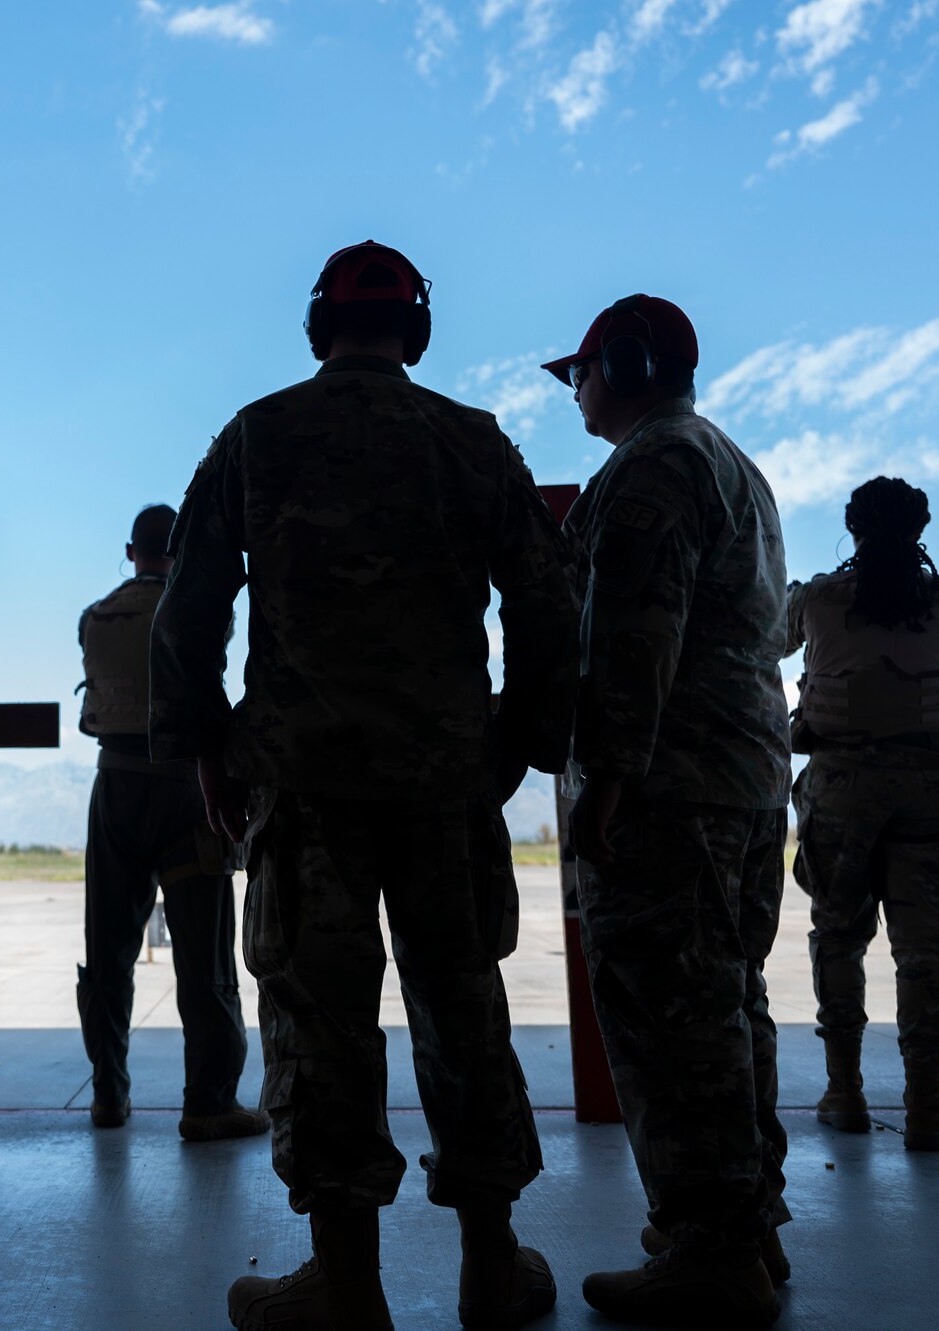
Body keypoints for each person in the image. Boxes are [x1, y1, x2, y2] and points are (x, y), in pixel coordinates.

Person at [151, 240, 581, 1331]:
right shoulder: (471, 442)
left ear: (317, 324)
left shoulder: (258, 436)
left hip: (304, 788)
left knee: (318, 1016)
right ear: (415, 330)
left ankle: (345, 1280)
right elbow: (542, 605)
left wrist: (205, 748)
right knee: (461, 1007)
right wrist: (517, 746)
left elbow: (186, 610)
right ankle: (491, 1265)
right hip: (446, 784)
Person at [545, 295, 793, 1325]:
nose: (575, 391)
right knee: (726, 1001)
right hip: (736, 776)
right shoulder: (729, 461)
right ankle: (744, 1223)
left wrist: (603, 777)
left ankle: (708, 1248)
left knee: (665, 1010)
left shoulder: (651, 465)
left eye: (581, 372)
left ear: (626, 364)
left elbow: (633, 633)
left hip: (665, 782)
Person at [786, 477, 939, 1152]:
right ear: (920, 526)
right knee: (922, 946)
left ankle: (845, 1093)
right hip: (924, 790)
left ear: (852, 525)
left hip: (839, 788)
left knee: (838, 936)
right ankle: (926, 1106)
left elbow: (771, 632)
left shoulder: (819, 600)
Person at [74, 503, 266, 1141]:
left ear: (131, 551)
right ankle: (208, 1103)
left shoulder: (95, 618)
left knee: (108, 950)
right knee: (204, 957)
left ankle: (108, 1095)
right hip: (189, 793)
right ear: (180, 550)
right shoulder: (196, 608)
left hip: (117, 791)